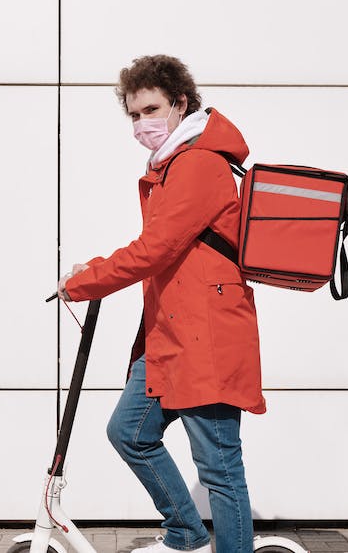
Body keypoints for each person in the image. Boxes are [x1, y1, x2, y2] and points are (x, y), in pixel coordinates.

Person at [57, 55, 265, 553]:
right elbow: (164, 245)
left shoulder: (197, 164)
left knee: (219, 469)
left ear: (180, 104)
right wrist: (96, 267)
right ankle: (186, 533)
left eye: (150, 109)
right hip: (173, 335)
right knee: (130, 431)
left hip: (205, 338)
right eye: (133, 114)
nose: (141, 123)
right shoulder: (173, 164)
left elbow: (156, 249)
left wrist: (87, 284)